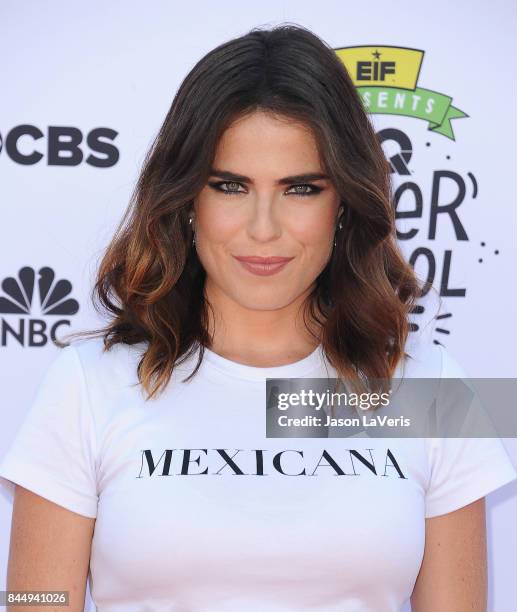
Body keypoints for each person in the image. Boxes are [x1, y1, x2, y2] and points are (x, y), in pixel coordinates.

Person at [0, 23, 516, 612]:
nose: (263, 228)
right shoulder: (87, 385)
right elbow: (33, 599)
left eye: (300, 188)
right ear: (187, 199)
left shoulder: (427, 389)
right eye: (230, 186)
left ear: (344, 202)